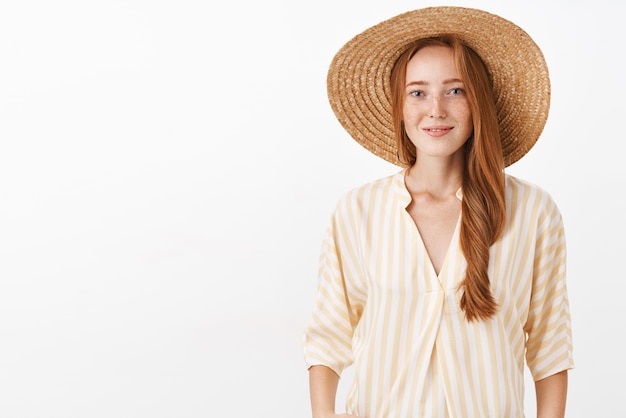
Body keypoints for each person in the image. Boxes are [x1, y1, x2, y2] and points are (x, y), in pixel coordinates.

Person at [302, 6, 574, 418]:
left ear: (478, 100)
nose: (435, 110)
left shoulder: (533, 212)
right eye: (418, 92)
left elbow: (550, 347)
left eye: (455, 90)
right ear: (399, 106)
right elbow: (328, 334)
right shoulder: (359, 211)